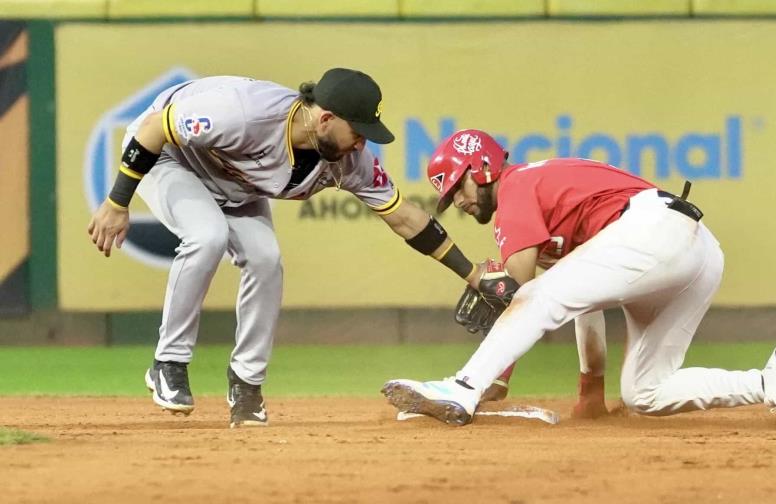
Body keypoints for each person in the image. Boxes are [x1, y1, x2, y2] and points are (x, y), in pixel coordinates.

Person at [87, 70, 506, 428]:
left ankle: (247, 386)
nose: (361, 144)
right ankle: (169, 364)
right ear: (324, 118)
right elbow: (154, 128)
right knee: (207, 235)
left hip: (235, 184)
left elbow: (404, 217)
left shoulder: (348, 161)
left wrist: (474, 276)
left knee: (266, 260)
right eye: (357, 132)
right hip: (169, 158)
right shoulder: (244, 112)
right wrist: (117, 201)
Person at [382, 129, 776, 426]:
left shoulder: (516, 187)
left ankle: (461, 388)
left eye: (459, 186)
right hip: (696, 250)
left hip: (652, 231)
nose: (456, 200)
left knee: (537, 294)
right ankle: (771, 381)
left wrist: (491, 379)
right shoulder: (547, 210)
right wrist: (589, 390)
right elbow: (577, 299)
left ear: (482, 169)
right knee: (646, 393)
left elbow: (519, 291)